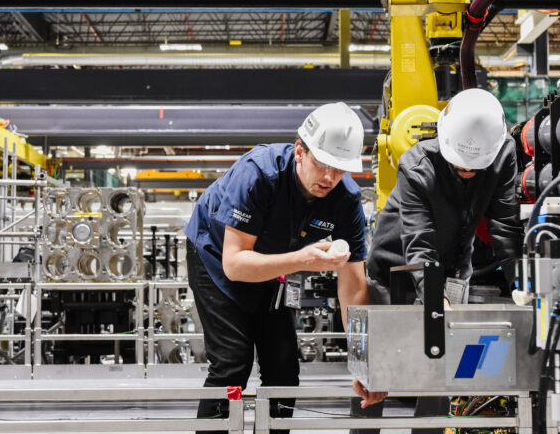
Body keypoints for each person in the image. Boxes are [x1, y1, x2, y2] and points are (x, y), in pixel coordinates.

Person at [184, 102, 383, 434]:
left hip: (275, 264)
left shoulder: (346, 201)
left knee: (284, 371)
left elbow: (353, 285)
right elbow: (235, 266)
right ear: (300, 152)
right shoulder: (259, 174)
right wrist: (304, 260)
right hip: (216, 258)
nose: (330, 178)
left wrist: (364, 364)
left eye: (339, 168)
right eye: (322, 164)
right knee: (233, 362)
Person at [352, 88, 523, 433]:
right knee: (376, 374)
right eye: (459, 165)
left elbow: (505, 227)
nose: (466, 172)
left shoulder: (503, 154)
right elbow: (419, 244)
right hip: (393, 271)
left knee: (439, 373)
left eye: (474, 168)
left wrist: (523, 285)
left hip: (453, 270)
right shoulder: (416, 165)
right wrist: (435, 298)